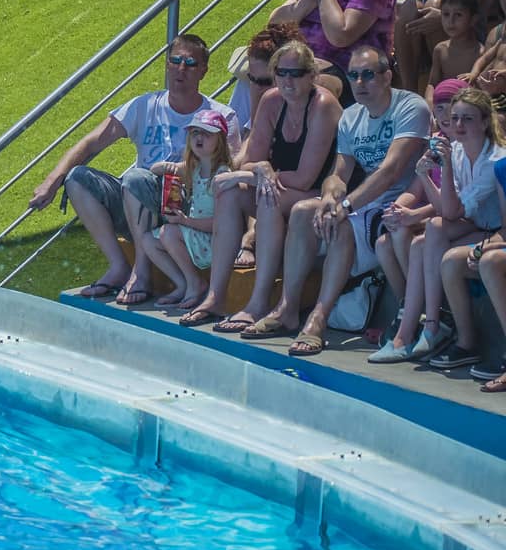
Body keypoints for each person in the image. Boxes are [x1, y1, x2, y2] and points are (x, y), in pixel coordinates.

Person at [240, 46, 429, 356]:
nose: (360, 82)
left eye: (368, 74)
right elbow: (339, 173)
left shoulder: (410, 107)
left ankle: (318, 318)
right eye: (353, 75)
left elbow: (391, 172)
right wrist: (330, 196)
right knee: (304, 210)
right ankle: (287, 308)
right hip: (364, 209)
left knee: (340, 222)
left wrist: (344, 207)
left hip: (403, 206)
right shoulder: (352, 115)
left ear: (387, 76)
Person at [29, 33, 240, 305]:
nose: (181, 69)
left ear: (203, 70)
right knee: (77, 178)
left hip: (188, 208)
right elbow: (91, 141)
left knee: (136, 177)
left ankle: (141, 273)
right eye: (175, 60)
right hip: (138, 202)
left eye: (190, 63)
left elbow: (233, 169)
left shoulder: (221, 115)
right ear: (166, 64)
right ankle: (119, 267)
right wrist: (51, 181)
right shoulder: (145, 105)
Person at [191, 40, 340, 330]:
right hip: (283, 190)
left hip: (317, 192)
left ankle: (258, 303)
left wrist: (254, 174)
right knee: (231, 194)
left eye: (296, 73)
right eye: (282, 73)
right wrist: (257, 170)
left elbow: (306, 177)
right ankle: (216, 295)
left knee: (267, 195)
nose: (288, 80)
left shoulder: (322, 105)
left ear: (312, 75)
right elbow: (252, 162)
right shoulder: (272, 101)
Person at [370, 85, 502, 363]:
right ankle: (412, 331)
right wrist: (426, 176)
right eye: (455, 118)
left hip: (492, 230)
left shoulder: (494, 160)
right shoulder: (457, 151)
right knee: (422, 241)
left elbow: (452, 212)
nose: (458, 125)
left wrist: (444, 168)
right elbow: (445, 210)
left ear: (484, 122)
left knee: (433, 231)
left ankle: (430, 326)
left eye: (467, 118)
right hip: (469, 223)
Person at [138, 110, 237, 310]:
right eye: (194, 133)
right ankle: (183, 283)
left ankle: (195, 283)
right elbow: (154, 170)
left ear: (220, 141)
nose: (199, 138)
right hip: (194, 238)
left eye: (207, 133)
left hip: (212, 242)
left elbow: (221, 224)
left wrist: (184, 221)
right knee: (147, 239)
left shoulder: (222, 175)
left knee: (168, 232)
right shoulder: (193, 168)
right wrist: (170, 168)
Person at [435, 204, 506, 388]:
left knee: (491, 263)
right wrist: (485, 246)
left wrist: (497, 247)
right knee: (452, 261)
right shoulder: (502, 174)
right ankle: (467, 344)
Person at [427, 0, 486, 96]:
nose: (451, 21)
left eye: (458, 15)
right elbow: (432, 84)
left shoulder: (479, 53)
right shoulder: (440, 49)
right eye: (446, 14)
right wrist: (429, 101)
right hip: (442, 105)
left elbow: (481, 92)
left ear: (473, 19)